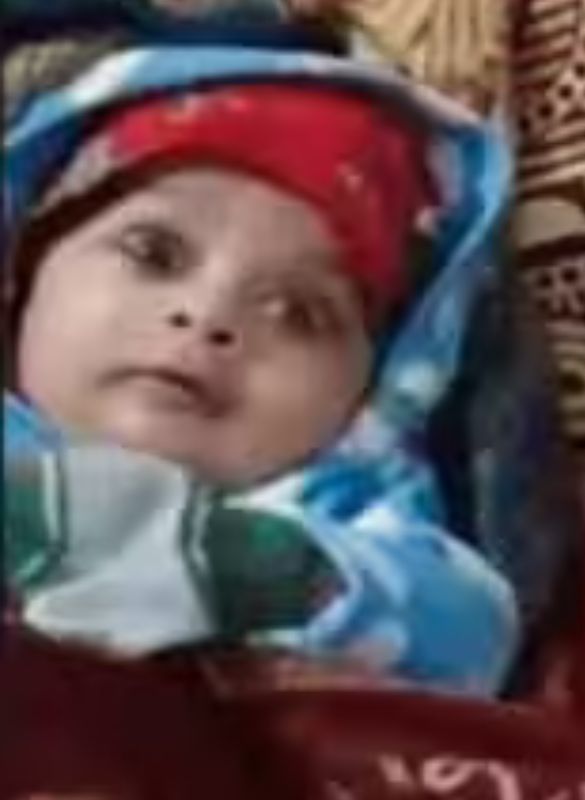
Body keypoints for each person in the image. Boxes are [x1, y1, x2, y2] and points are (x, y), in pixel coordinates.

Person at [3, 45, 519, 696]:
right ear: (24, 265)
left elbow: (473, 632)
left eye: (299, 313)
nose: (208, 315)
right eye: (154, 253)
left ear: (375, 393)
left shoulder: (355, 533)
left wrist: (256, 572)